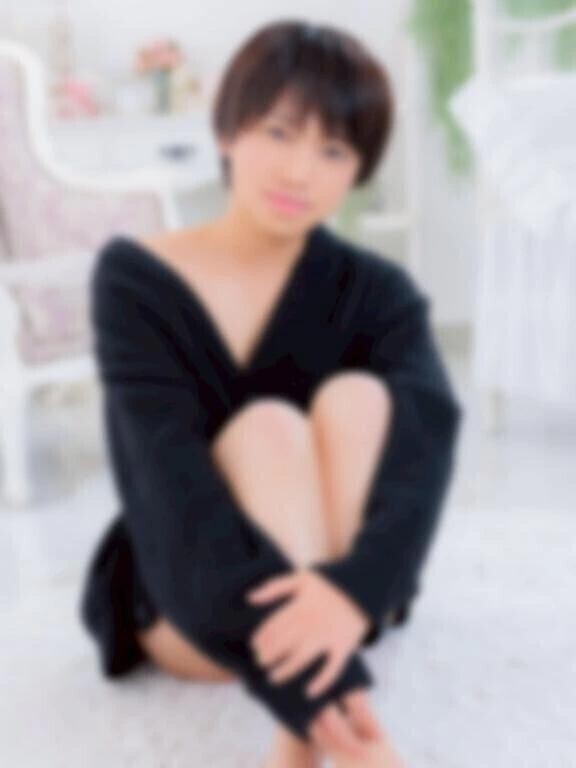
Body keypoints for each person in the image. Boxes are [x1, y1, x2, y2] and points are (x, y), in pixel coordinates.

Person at [79, 19, 463, 767]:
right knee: (268, 430)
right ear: (227, 130)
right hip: (193, 590)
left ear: (357, 171)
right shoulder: (135, 279)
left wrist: (353, 591)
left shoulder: (379, 291)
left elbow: (426, 443)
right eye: (279, 133)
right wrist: (326, 690)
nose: (299, 173)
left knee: (363, 399)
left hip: (343, 602)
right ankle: (315, 723)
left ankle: (301, 733)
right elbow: (168, 485)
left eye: (334, 151)